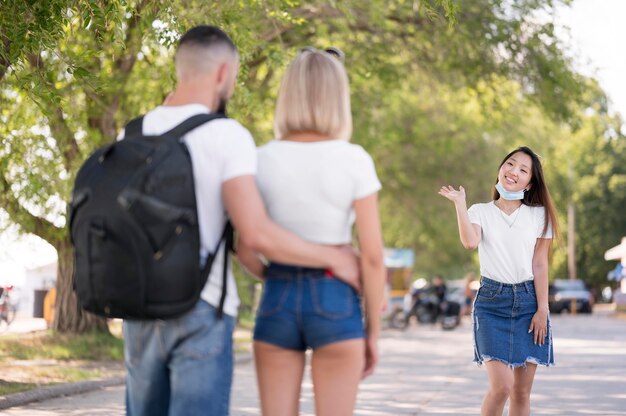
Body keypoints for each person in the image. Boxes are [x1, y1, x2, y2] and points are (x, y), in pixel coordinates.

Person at [121, 26, 359, 416]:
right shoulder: (226, 135)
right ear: (222, 72)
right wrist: (332, 259)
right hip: (201, 304)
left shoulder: (133, 130)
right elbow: (255, 232)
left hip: (139, 305)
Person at [237, 47, 386, 416]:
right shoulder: (354, 159)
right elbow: (372, 257)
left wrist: (278, 277)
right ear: (339, 97)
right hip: (335, 296)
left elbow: (244, 249)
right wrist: (373, 333)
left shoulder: (259, 158)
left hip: (277, 298)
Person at [438, 146, 558, 416]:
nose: (514, 171)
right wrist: (460, 204)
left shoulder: (539, 215)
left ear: (530, 183)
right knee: (502, 387)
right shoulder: (480, 211)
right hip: (492, 304)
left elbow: (540, 264)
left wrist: (542, 309)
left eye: (523, 170)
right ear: (501, 168)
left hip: (529, 304)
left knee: (521, 393)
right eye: (510, 164)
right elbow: (470, 242)